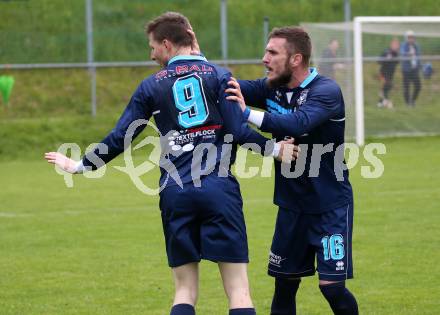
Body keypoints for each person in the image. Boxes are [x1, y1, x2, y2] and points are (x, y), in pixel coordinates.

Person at [44, 12, 299, 315]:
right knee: (238, 291)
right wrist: (274, 149)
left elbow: (121, 136)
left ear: (166, 44)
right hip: (219, 190)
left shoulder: (151, 86)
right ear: (190, 40)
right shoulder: (219, 75)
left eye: (152, 47)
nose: (151, 54)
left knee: (185, 291)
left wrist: (81, 165)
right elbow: (237, 131)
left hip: (175, 192)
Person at [225, 27, 358, 315]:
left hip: (329, 206)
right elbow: (225, 85)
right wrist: (195, 60)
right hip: (291, 208)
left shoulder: (326, 91)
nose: (264, 58)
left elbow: (299, 123)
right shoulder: (269, 87)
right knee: (284, 284)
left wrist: (246, 113)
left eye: (272, 53)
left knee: (331, 286)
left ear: (296, 58)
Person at [400, 30, 422, 106]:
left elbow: (418, 57)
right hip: (406, 70)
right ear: (406, 38)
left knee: (418, 86)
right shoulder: (403, 45)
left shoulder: (416, 46)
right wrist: (408, 53)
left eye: (412, 37)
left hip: (415, 69)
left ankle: (412, 101)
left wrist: (420, 67)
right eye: (409, 37)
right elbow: (402, 53)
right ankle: (407, 103)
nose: (411, 39)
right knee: (406, 87)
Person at [377, 38, 400, 108]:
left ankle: (380, 103)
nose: (396, 46)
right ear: (391, 45)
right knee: (387, 86)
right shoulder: (386, 52)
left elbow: (397, 62)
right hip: (383, 73)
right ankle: (387, 103)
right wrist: (386, 60)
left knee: (386, 88)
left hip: (390, 74)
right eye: (394, 45)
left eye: (397, 45)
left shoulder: (396, 54)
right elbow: (379, 61)